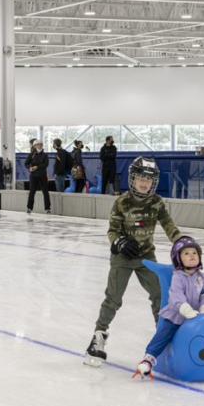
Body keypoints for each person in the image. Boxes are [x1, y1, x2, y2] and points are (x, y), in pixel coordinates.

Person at [85, 157, 187, 367]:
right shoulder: (122, 202)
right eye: (140, 177)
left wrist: (181, 240)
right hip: (122, 258)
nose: (144, 182)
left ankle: (163, 337)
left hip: (146, 257)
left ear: (154, 182)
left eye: (148, 179)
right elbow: (112, 230)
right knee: (113, 298)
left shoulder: (157, 202)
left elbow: (168, 224)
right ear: (132, 179)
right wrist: (120, 242)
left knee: (160, 295)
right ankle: (98, 337)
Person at [132, 237, 204, 379]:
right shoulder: (178, 277)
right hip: (176, 314)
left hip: (196, 315)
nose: (192, 256)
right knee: (164, 333)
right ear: (178, 259)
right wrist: (185, 309)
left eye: (194, 253)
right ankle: (149, 359)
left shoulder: (202, 277)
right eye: (186, 253)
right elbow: (176, 297)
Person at [25, 141, 51, 214]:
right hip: (33, 176)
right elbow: (26, 163)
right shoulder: (31, 154)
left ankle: (47, 208)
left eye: (41, 144)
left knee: (45, 192)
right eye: (38, 145)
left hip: (42, 175)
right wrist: (29, 168)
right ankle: (29, 208)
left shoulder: (45, 155)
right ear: (35, 146)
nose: (40, 146)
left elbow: (46, 164)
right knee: (32, 192)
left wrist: (37, 167)